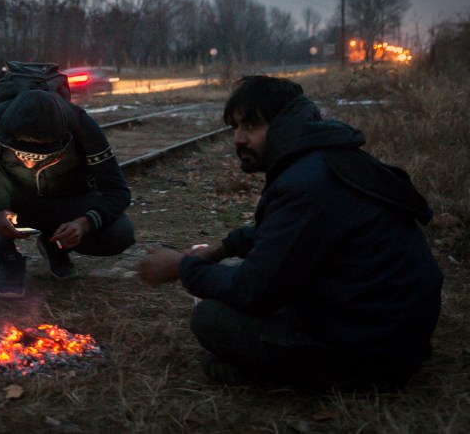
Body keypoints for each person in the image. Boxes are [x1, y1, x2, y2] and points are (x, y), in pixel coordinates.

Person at [136, 75, 443, 390]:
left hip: (373, 350)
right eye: (235, 127)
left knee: (210, 319)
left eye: (251, 126)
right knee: (241, 289)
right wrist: (221, 249)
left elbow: (253, 290)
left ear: (285, 125)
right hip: (388, 328)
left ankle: (331, 376)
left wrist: (181, 267)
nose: (238, 139)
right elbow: (285, 233)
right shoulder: (322, 160)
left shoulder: (306, 183)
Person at [0, 88, 135, 299]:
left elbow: (118, 190)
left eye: (43, 155)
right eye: (21, 154)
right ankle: (8, 257)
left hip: (68, 203)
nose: (30, 162)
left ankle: (56, 246)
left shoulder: (81, 125)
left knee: (120, 234)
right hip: (12, 203)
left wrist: (84, 223)